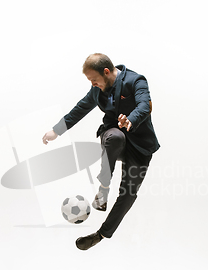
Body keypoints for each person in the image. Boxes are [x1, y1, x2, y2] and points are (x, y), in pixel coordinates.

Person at [42, 53, 160, 250]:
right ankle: (103, 187)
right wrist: (56, 130)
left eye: (94, 80)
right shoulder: (97, 91)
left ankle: (101, 234)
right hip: (115, 138)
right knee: (115, 137)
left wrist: (131, 119)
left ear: (106, 72)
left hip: (140, 144)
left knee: (129, 193)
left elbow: (144, 104)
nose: (92, 84)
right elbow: (80, 109)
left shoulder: (135, 81)